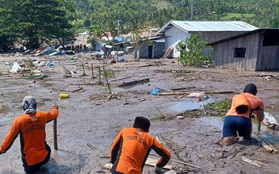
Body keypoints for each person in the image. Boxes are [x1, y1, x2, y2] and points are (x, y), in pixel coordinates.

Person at [0, 96, 59, 174]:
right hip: (44, 157)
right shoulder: (42, 116)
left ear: (24, 107)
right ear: (35, 106)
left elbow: (9, 139)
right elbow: (54, 114)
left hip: (29, 163)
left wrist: (1, 150)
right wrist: (55, 107)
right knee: (46, 148)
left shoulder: (19, 121)